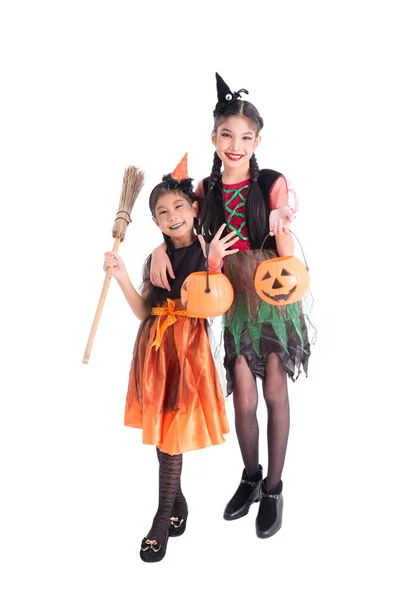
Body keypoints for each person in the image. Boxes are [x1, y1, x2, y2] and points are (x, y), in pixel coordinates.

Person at [149, 75, 311, 539]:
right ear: (213, 137)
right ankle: (251, 476)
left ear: (257, 140)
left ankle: (275, 488)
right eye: (226, 135)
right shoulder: (204, 190)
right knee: (243, 396)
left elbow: (289, 261)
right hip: (231, 297)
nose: (235, 145)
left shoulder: (271, 183)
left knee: (275, 389)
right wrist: (162, 249)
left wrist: (281, 226)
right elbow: (179, 225)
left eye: (245, 137)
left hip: (271, 295)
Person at [103, 155, 238, 562]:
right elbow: (145, 311)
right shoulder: (154, 258)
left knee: (172, 434)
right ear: (156, 223)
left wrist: (213, 263)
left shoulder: (211, 249)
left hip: (188, 352)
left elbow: (215, 304)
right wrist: (123, 274)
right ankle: (176, 503)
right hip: (155, 350)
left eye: (179, 206)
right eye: (162, 212)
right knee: (162, 433)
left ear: (194, 209)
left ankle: (163, 516)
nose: (172, 215)